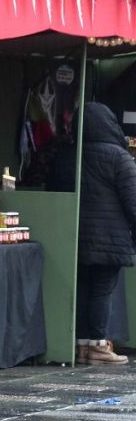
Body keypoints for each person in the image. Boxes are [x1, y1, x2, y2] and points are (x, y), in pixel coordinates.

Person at [49, 102, 136, 364]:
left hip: (73, 235)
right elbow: (133, 202)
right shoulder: (119, 158)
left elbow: (53, 192)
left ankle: (81, 345)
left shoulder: (66, 156)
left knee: (82, 287)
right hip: (111, 239)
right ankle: (98, 345)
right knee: (101, 290)